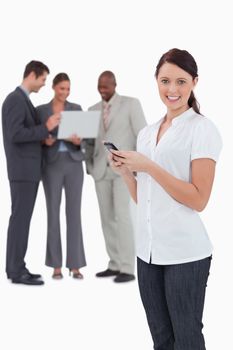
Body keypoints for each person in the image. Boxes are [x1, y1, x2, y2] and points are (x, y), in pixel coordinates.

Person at [109, 48, 222, 349]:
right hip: (147, 253)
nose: (172, 90)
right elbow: (143, 198)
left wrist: (148, 166)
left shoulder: (203, 130)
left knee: (186, 338)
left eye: (181, 82)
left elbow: (199, 199)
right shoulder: (146, 133)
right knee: (161, 340)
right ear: (156, 81)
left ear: (194, 82)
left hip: (185, 254)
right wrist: (125, 173)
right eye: (165, 81)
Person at [2, 60, 60, 285]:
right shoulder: (15, 99)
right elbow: (15, 133)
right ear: (33, 75)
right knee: (20, 220)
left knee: (21, 220)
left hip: (27, 169)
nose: (44, 84)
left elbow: (23, 133)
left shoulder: (22, 100)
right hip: (23, 170)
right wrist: (45, 127)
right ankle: (16, 271)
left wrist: (42, 138)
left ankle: (17, 266)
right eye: (43, 79)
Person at [86, 71, 146, 283]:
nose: (102, 90)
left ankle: (128, 267)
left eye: (106, 86)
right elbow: (87, 143)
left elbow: (143, 136)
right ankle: (114, 263)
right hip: (100, 171)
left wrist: (139, 166)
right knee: (106, 218)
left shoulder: (131, 104)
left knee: (123, 216)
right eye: (99, 86)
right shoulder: (91, 110)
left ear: (114, 84)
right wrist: (89, 165)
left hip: (124, 170)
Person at [36, 73, 86, 280]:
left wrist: (77, 141)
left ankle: (75, 265)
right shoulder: (41, 111)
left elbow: (82, 139)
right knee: (53, 214)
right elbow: (36, 135)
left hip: (74, 164)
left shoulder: (76, 109)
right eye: (61, 88)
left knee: (74, 214)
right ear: (54, 88)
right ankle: (55, 265)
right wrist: (43, 141)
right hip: (52, 165)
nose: (65, 92)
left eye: (68, 89)